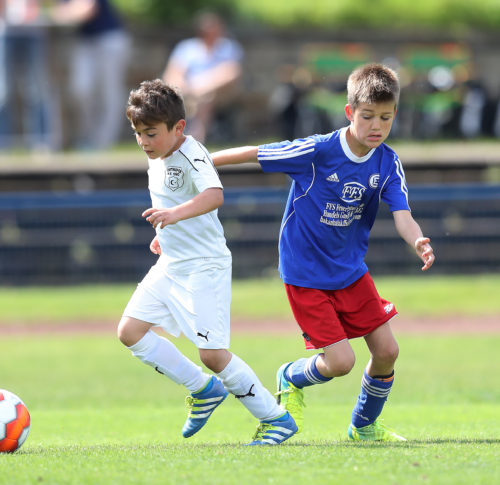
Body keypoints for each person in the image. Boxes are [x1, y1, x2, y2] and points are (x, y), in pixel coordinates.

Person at [211, 63, 435, 441]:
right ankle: (290, 376)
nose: (376, 125)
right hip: (305, 272)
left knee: (387, 351)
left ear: (395, 114)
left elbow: (403, 215)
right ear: (350, 113)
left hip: (350, 271)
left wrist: (418, 240)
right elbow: (256, 152)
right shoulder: (317, 150)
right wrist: (199, 162)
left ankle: (364, 427)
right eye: (367, 116)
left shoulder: (387, 162)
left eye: (385, 117)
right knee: (341, 362)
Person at [117, 79, 297, 446]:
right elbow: (176, 201)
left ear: (178, 128)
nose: (143, 142)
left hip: (204, 265)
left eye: (150, 133)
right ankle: (202, 390)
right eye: (138, 133)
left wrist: (174, 215)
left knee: (213, 354)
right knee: (130, 332)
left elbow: (214, 195)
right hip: (172, 263)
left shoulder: (192, 154)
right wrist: (165, 233)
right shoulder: (158, 155)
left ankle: (275, 418)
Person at [51, 0, 130, 150]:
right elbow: (58, 12)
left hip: (110, 39)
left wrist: (69, 12)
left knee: (109, 93)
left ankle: (104, 142)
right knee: (80, 90)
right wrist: (70, 11)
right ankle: (89, 139)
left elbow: (87, 10)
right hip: (85, 41)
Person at [162, 11, 243, 143]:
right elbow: (172, 73)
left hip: (219, 92)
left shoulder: (228, 47)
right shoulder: (186, 47)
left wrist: (204, 84)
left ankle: (196, 138)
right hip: (188, 91)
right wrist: (184, 87)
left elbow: (231, 73)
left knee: (205, 96)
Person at [0, 0, 57, 151]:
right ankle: (3, 143)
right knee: (3, 92)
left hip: (33, 32)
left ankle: (42, 142)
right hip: (6, 31)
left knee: (37, 92)